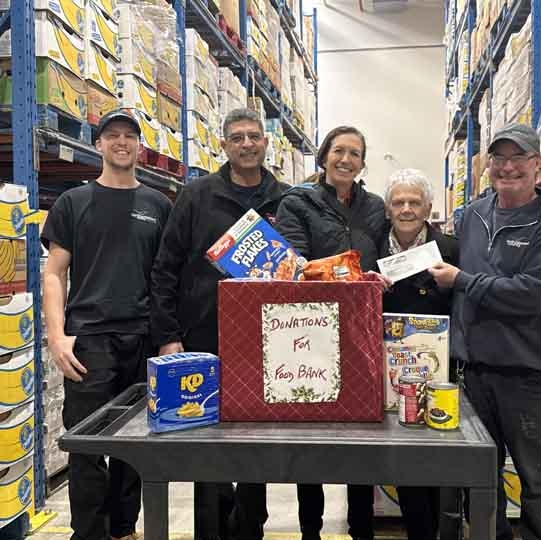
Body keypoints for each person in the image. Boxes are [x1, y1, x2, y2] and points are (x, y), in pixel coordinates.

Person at [429, 123, 541, 540]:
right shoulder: (473, 215)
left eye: (518, 158)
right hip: (474, 374)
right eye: (499, 158)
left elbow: (536, 294)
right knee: (481, 481)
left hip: (526, 375)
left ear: (537, 163)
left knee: (538, 483)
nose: (507, 167)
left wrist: (462, 281)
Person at [150, 108, 290, 540]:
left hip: (265, 341)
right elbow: (165, 268)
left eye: (254, 136)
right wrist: (168, 336)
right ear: (224, 145)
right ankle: (211, 528)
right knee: (205, 437)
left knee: (256, 438)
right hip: (203, 335)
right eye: (237, 137)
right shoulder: (196, 196)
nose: (247, 144)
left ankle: (251, 526)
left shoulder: (285, 199)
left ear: (266, 143)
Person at [41, 110, 173, 540]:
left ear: (139, 147)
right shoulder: (73, 202)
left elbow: (166, 277)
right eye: (112, 135)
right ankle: (89, 534)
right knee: (88, 446)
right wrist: (57, 336)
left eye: (129, 136)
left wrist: (168, 338)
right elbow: (54, 273)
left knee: (135, 444)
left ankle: (123, 529)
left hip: (143, 339)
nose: (121, 142)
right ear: (98, 144)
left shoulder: (158, 205)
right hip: (90, 340)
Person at [276, 126, 386, 540]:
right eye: (339, 151)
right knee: (312, 436)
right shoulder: (297, 201)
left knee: (363, 435)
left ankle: (362, 528)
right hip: (311, 331)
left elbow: (384, 256)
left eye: (354, 153)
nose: (346, 159)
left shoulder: (374, 207)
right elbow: (294, 265)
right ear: (323, 157)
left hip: (361, 331)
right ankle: (311, 530)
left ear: (362, 163)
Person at [379, 169, 460, 540]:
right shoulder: (372, 249)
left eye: (415, 202)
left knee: (440, 456)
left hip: (441, 371)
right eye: (398, 202)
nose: (406, 209)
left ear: (429, 208)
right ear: (387, 209)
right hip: (391, 373)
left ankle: (444, 529)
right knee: (405, 456)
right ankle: (420, 532)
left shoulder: (452, 249)